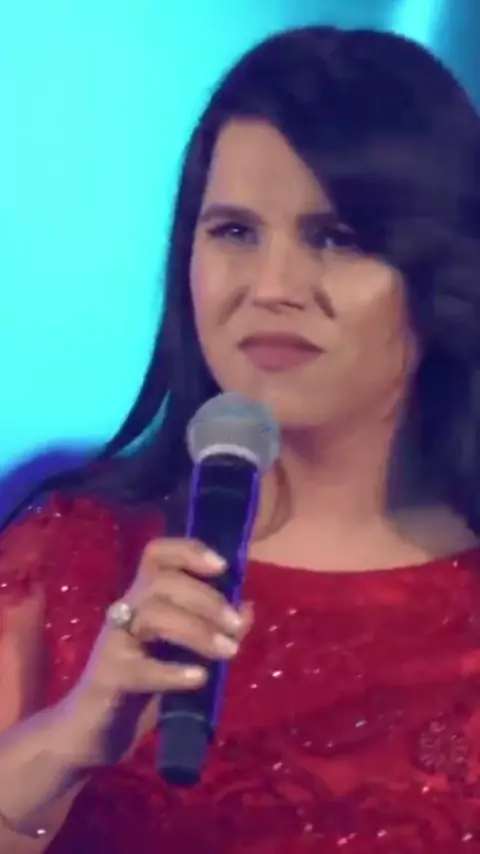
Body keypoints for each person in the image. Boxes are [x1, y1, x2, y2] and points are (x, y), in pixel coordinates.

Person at [1, 22, 480, 854]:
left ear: (441, 270)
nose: (272, 287)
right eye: (234, 232)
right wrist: (69, 741)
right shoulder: (75, 555)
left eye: (338, 238)